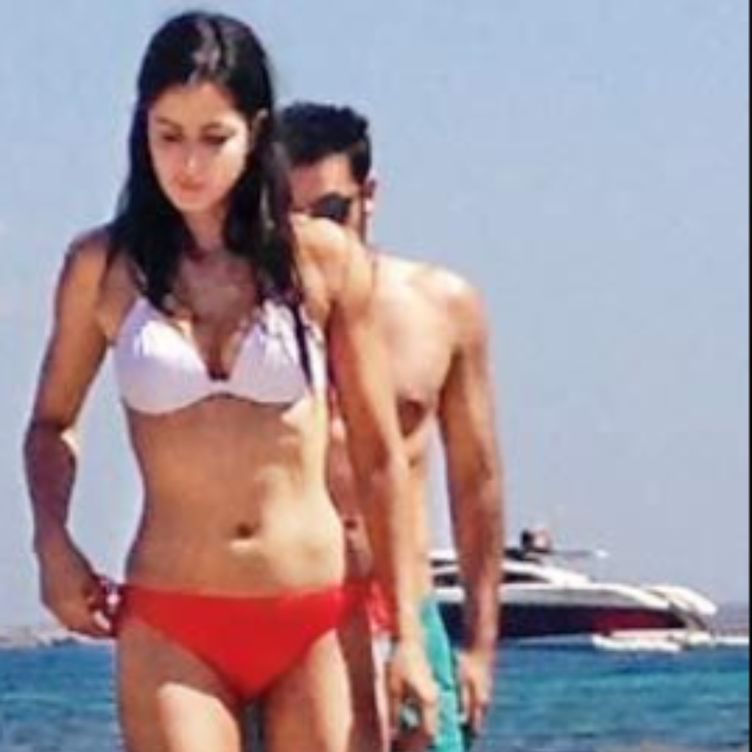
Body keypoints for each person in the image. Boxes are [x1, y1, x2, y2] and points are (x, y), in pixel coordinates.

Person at [23, 13, 438, 752]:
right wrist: (52, 541)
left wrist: (407, 634)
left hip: (313, 605)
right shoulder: (103, 268)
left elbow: (380, 459)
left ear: (255, 133)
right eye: (168, 135)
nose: (188, 164)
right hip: (173, 613)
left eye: (213, 138)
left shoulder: (323, 261)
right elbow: (51, 424)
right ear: (141, 131)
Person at [279, 103, 505, 751]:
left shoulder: (440, 306)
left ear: (369, 196)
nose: (313, 235)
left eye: (331, 212)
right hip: (287, 611)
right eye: (288, 216)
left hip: (400, 606)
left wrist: (480, 646)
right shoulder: (244, 322)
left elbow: (477, 482)